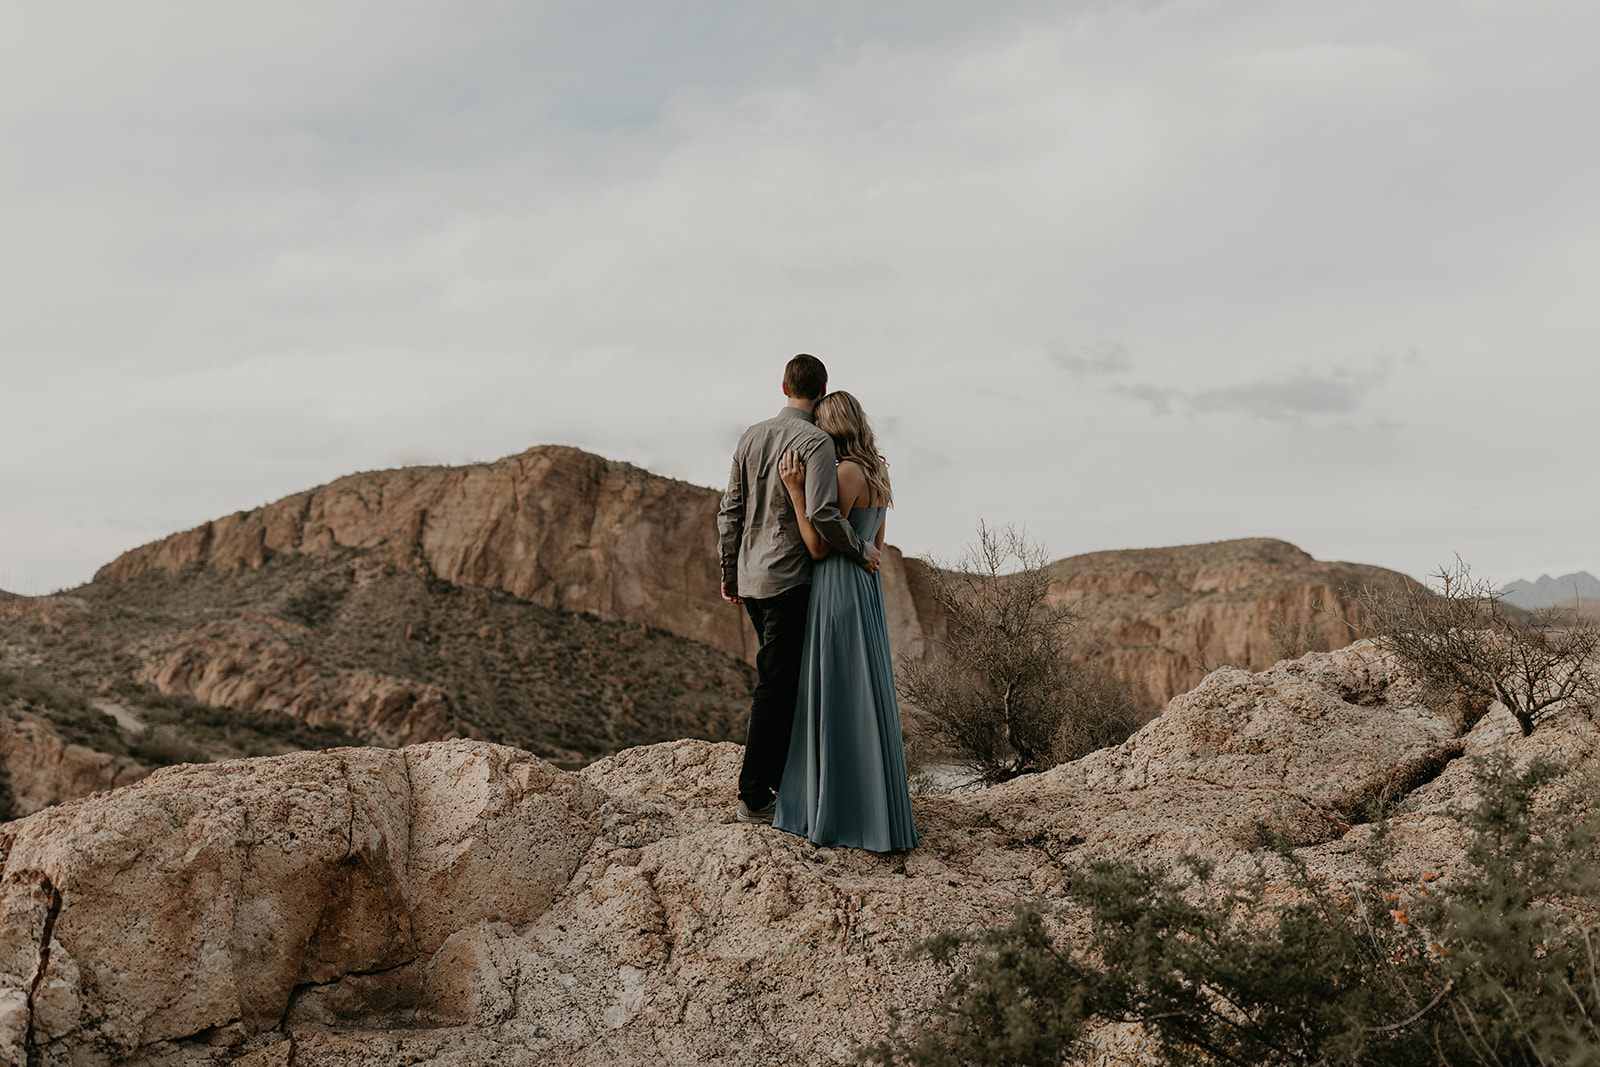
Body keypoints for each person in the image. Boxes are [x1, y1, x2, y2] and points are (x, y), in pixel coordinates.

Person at [718, 355, 881, 824]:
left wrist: (728, 569)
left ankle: (782, 782)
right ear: (822, 387)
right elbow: (826, 515)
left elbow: (730, 509)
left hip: (750, 579)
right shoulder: (817, 443)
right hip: (790, 579)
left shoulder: (750, 436)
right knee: (779, 684)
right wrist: (861, 549)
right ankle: (754, 794)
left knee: (779, 679)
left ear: (783, 385)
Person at [771, 390, 919, 852]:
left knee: (833, 689)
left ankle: (832, 811)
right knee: (864, 693)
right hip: (865, 588)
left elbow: (819, 546)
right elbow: (874, 543)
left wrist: (797, 491)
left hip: (835, 587)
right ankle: (877, 813)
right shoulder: (879, 473)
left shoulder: (844, 473)